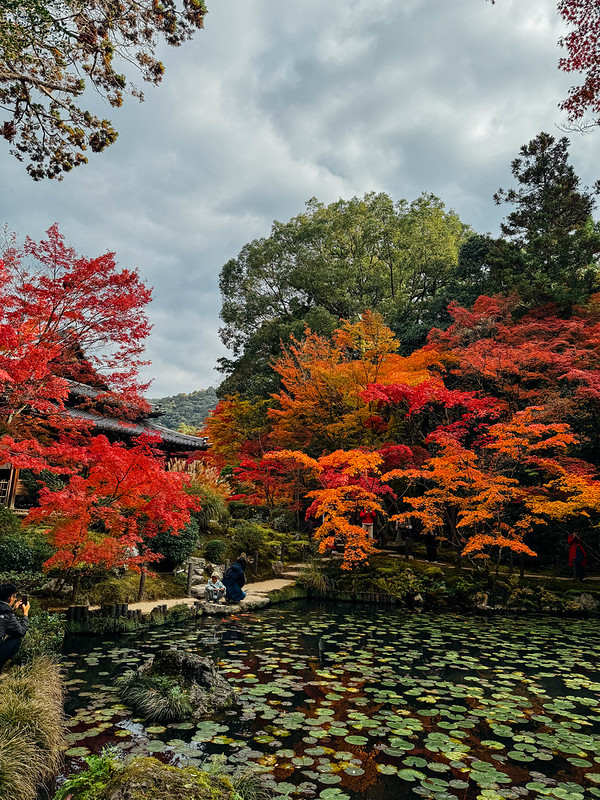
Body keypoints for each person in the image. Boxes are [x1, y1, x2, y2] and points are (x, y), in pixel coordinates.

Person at [0, 583, 30, 673]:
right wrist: (25, 614)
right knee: (16, 640)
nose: (15, 599)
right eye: (14, 596)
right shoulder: (7, 612)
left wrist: (12, 610)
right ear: (9, 598)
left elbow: (3, 620)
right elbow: (21, 632)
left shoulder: (6, 611)